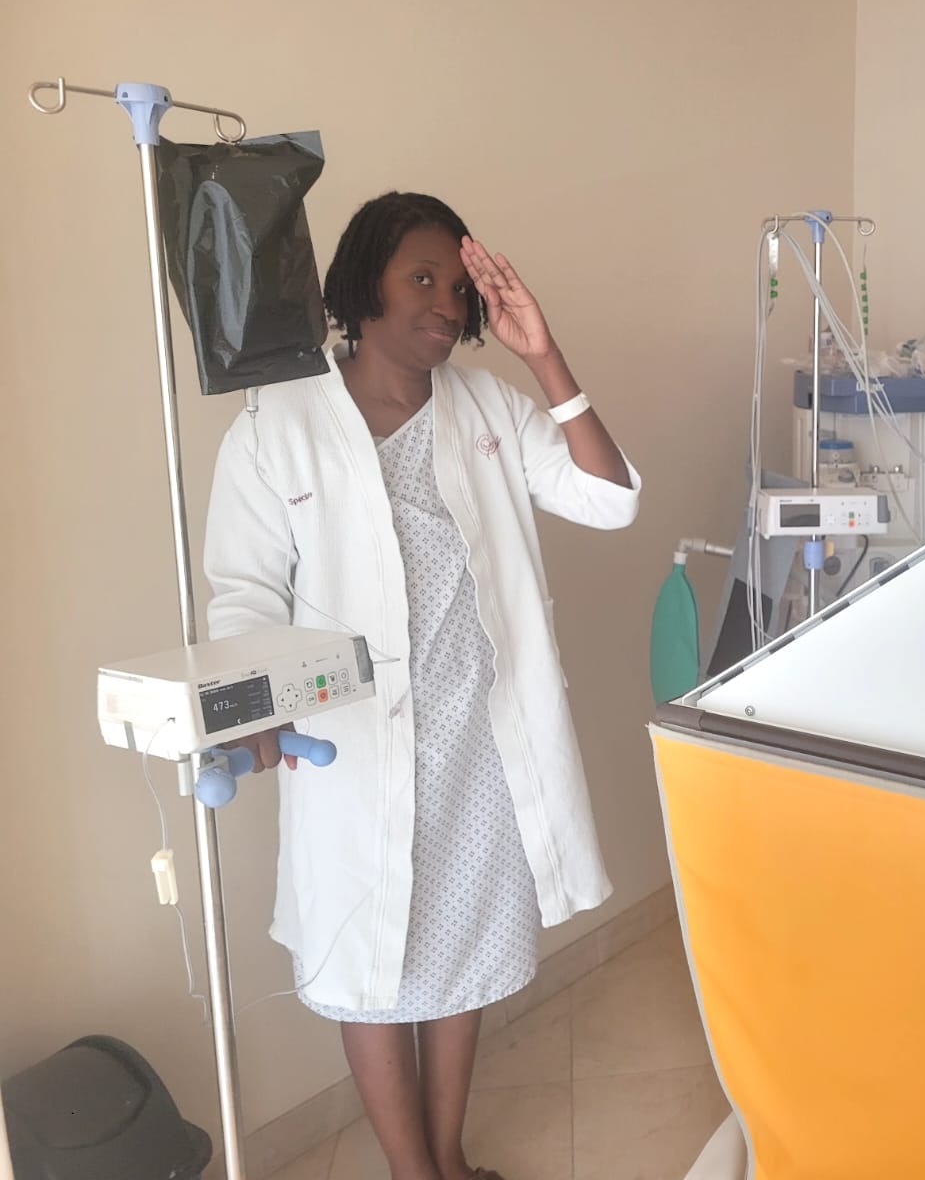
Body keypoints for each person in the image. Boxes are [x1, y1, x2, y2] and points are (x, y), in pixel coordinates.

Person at [204, 192, 641, 1180]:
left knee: (461, 953)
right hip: (355, 751)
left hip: (481, 744)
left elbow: (609, 500)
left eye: (459, 288)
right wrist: (256, 706)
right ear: (364, 285)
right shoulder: (279, 421)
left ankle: (447, 1155)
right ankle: (415, 1175)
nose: (447, 304)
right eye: (423, 278)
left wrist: (544, 357)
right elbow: (243, 591)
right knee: (372, 965)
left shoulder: (489, 408)